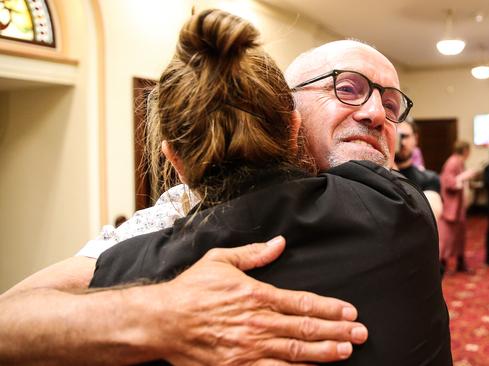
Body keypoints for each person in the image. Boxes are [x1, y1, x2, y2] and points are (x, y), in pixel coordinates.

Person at [0, 11, 451, 366]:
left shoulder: (395, 202)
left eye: (393, 104)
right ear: (290, 116)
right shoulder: (169, 218)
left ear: (173, 159)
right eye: (347, 88)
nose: (377, 113)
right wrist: (164, 314)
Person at [438, 140, 476, 273]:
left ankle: (460, 262)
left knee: (460, 235)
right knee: (447, 237)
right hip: (451, 207)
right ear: (465, 150)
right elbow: (447, 182)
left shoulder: (459, 161)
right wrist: (463, 177)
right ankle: (442, 265)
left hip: (459, 206)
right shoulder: (452, 162)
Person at [395, 119, 442, 218]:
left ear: (415, 139)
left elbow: (428, 219)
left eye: (405, 136)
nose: (402, 142)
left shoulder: (429, 178)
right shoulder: (376, 175)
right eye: (397, 136)